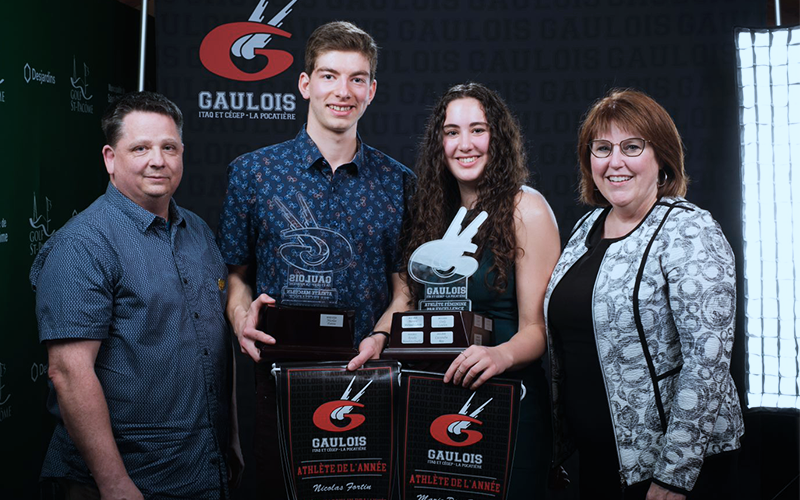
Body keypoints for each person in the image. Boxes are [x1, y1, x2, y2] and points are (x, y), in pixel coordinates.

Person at [217, 21, 413, 498]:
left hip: (369, 384)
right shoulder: (253, 173)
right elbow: (235, 275)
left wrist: (382, 334)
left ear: (371, 90)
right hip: (280, 384)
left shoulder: (399, 182)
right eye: (328, 76)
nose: (342, 91)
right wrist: (241, 317)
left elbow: (405, 287)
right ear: (305, 84)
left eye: (356, 78)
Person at [30, 91, 239, 499]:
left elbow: (213, 335)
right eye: (140, 148)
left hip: (202, 470)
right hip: (130, 481)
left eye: (169, 147)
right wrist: (114, 483)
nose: (157, 160)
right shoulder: (82, 245)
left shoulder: (197, 232)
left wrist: (229, 443)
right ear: (110, 158)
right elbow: (69, 373)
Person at [544, 88, 744, 499]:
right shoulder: (586, 228)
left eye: (632, 147)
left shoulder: (689, 230)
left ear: (662, 158)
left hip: (671, 472)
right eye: (602, 149)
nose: (615, 162)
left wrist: (675, 475)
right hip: (599, 462)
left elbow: (707, 363)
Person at [394, 82, 561, 499]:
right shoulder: (429, 213)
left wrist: (498, 354)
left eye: (477, 130)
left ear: (498, 138)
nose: (464, 144)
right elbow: (405, 302)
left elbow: (538, 329)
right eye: (451, 132)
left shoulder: (527, 209)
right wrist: (377, 339)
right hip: (433, 401)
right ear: (439, 143)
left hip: (507, 404)